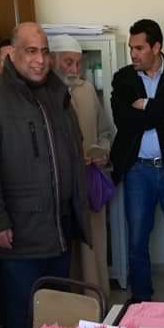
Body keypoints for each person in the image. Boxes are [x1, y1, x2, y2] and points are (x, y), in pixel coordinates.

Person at [0, 22, 90, 328]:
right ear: (12, 53)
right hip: (19, 232)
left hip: (59, 227)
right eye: (31, 51)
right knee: (24, 317)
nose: (40, 60)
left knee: (57, 314)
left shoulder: (55, 92)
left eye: (44, 51)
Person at [110, 19, 164, 303]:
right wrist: (162, 114)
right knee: (137, 240)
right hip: (138, 171)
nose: (133, 54)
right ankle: (141, 299)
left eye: (139, 48)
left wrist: (146, 105)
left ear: (156, 46)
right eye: (131, 48)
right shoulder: (123, 78)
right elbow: (124, 121)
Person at [50, 34, 114, 298]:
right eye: (67, 62)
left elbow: (105, 131)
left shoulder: (87, 90)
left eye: (78, 63)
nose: (74, 69)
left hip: (89, 182)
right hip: (60, 188)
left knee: (92, 246)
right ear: (51, 60)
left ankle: (96, 301)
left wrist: (102, 152)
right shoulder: (43, 94)